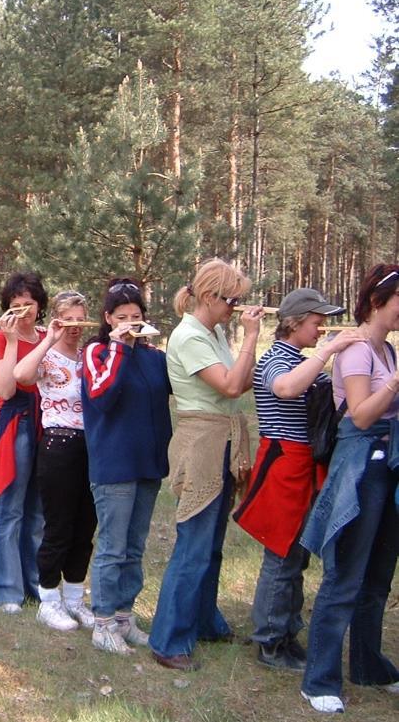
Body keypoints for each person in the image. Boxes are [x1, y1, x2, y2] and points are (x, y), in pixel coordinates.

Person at [233, 288, 361, 673]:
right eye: (316, 321)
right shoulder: (276, 359)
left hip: (301, 462)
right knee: (282, 553)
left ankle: (286, 632)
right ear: (295, 322)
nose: (321, 329)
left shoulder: (296, 358)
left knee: (296, 555)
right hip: (284, 462)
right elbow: (285, 388)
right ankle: (270, 641)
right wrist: (327, 354)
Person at [148, 259, 264, 672]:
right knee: (194, 545)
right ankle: (169, 639)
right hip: (201, 443)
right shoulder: (189, 335)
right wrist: (251, 339)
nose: (237, 308)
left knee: (211, 544)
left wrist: (248, 355)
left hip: (223, 440)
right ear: (211, 297)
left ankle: (203, 621)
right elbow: (232, 384)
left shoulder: (212, 332)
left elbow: (239, 379)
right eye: (233, 300)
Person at [299, 264, 399, 713]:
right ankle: (319, 679)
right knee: (345, 576)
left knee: (378, 576)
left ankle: (367, 663)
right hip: (360, 467)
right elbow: (359, 415)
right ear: (378, 302)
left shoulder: (388, 350)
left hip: (388, 464)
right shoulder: (358, 351)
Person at [82, 279, 172, 654]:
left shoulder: (154, 357)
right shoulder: (97, 352)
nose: (131, 322)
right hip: (114, 462)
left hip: (148, 462)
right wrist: (120, 347)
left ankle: (124, 616)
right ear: (108, 318)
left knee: (135, 547)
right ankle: (102, 622)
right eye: (123, 317)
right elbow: (101, 395)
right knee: (112, 546)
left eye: (137, 317)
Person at [12, 290, 95, 632]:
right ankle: (49, 600)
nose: (75, 326)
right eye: (68, 319)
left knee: (85, 527)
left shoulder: (91, 356)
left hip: (91, 447)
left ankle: (75, 599)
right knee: (58, 526)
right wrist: (50, 339)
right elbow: (21, 375)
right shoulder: (48, 355)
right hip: (58, 446)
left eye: (80, 319)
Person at [0, 272, 47, 613]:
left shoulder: (48, 337)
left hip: (46, 423)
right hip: (16, 423)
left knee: (37, 511)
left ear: (40, 306)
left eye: (29, 304)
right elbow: (4, 389)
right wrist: (9, 342)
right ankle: (5, 588)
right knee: (10, 508)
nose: (22, 311)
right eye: (15, 305)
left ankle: (33, 581)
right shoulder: (0, 339)